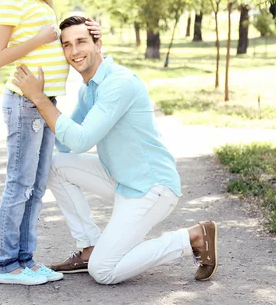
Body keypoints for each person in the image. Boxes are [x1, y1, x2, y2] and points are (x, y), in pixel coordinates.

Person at [12, 15, 218, 285]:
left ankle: (191, 237)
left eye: (82, 41)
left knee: (104, 272)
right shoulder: (90, 88)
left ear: (98, 43)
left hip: (150, 188)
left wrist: (38, 98)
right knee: (55, 165)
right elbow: (65, 140)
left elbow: (80, 141)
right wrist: (45, 98)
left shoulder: (118, 83)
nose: (75, 51)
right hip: (120, 177)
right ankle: (89, 247)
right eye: (67, 45)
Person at [0, 0, 101, 286]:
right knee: (19, 185)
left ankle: (26, 260)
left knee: (36, 188)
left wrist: (92, 35)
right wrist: (38, 39)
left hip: (44, 102)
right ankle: (6, 264)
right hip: (24, 103)